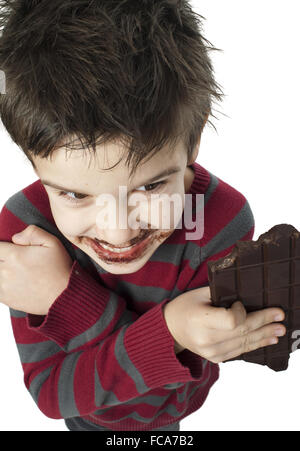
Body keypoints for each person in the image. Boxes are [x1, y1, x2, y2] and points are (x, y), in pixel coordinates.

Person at [0, 0, 286, 432]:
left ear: (192, 143)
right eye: (76, 194)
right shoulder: (26, 232)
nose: (119, 231)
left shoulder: (219, 222)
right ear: (33, 160)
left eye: (151, 187)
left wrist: (65, 297)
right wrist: (170, 335)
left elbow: (160, 412)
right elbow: (54, 395)